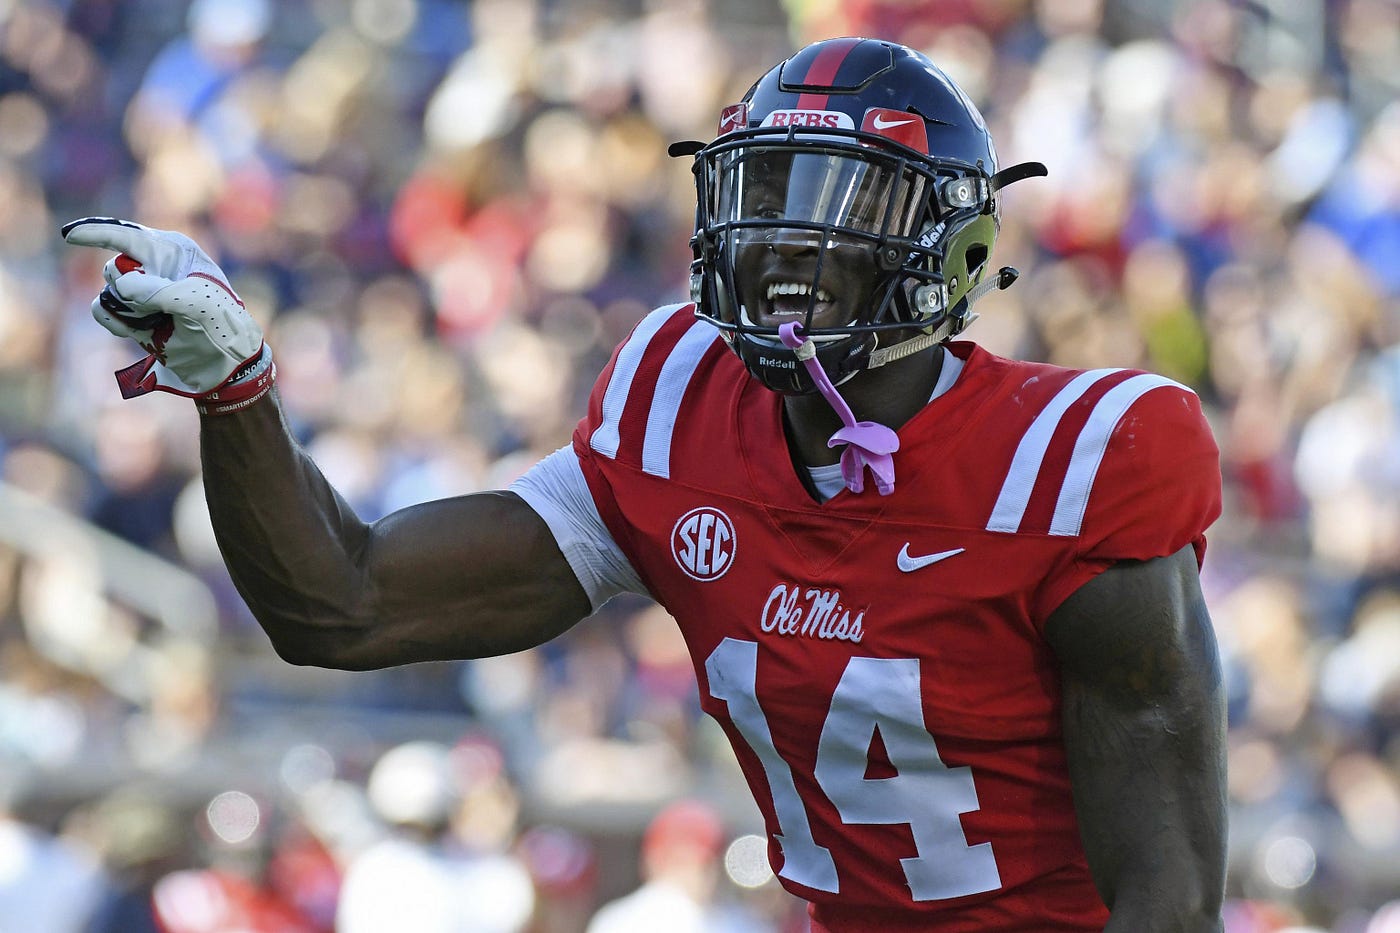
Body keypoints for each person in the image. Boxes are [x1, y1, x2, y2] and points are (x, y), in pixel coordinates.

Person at [63, 37, 1227, 932]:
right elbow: (342, 605)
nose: (783, 241)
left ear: (953, 252)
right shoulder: (681, 401)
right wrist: (237, 392)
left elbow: (1166, 900)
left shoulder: (1077, 464)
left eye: (840, 206)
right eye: (765, 192)